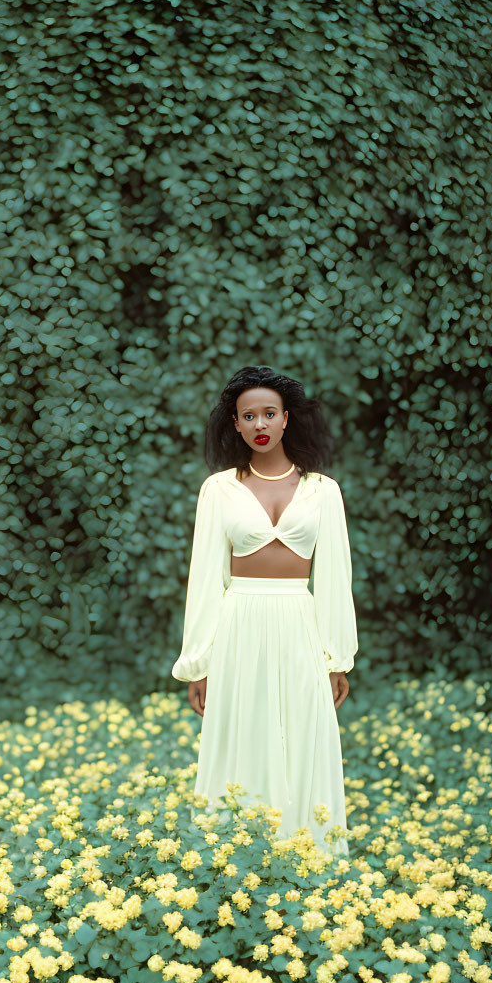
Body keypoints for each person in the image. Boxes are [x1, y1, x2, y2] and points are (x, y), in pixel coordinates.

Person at [171, 365, 358, 856]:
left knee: (303, 734)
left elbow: (335, 576)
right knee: (241, 733)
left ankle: (307, 853)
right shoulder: (219, 490)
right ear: (234, 424)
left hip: (299, 621)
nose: (259, 423)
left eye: (268, 413)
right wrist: (200, 662)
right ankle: (236, 854)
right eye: (247, 415)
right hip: (240, 624)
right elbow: (206, 578)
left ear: (285, 419)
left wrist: (337, 656)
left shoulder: (323, 490)